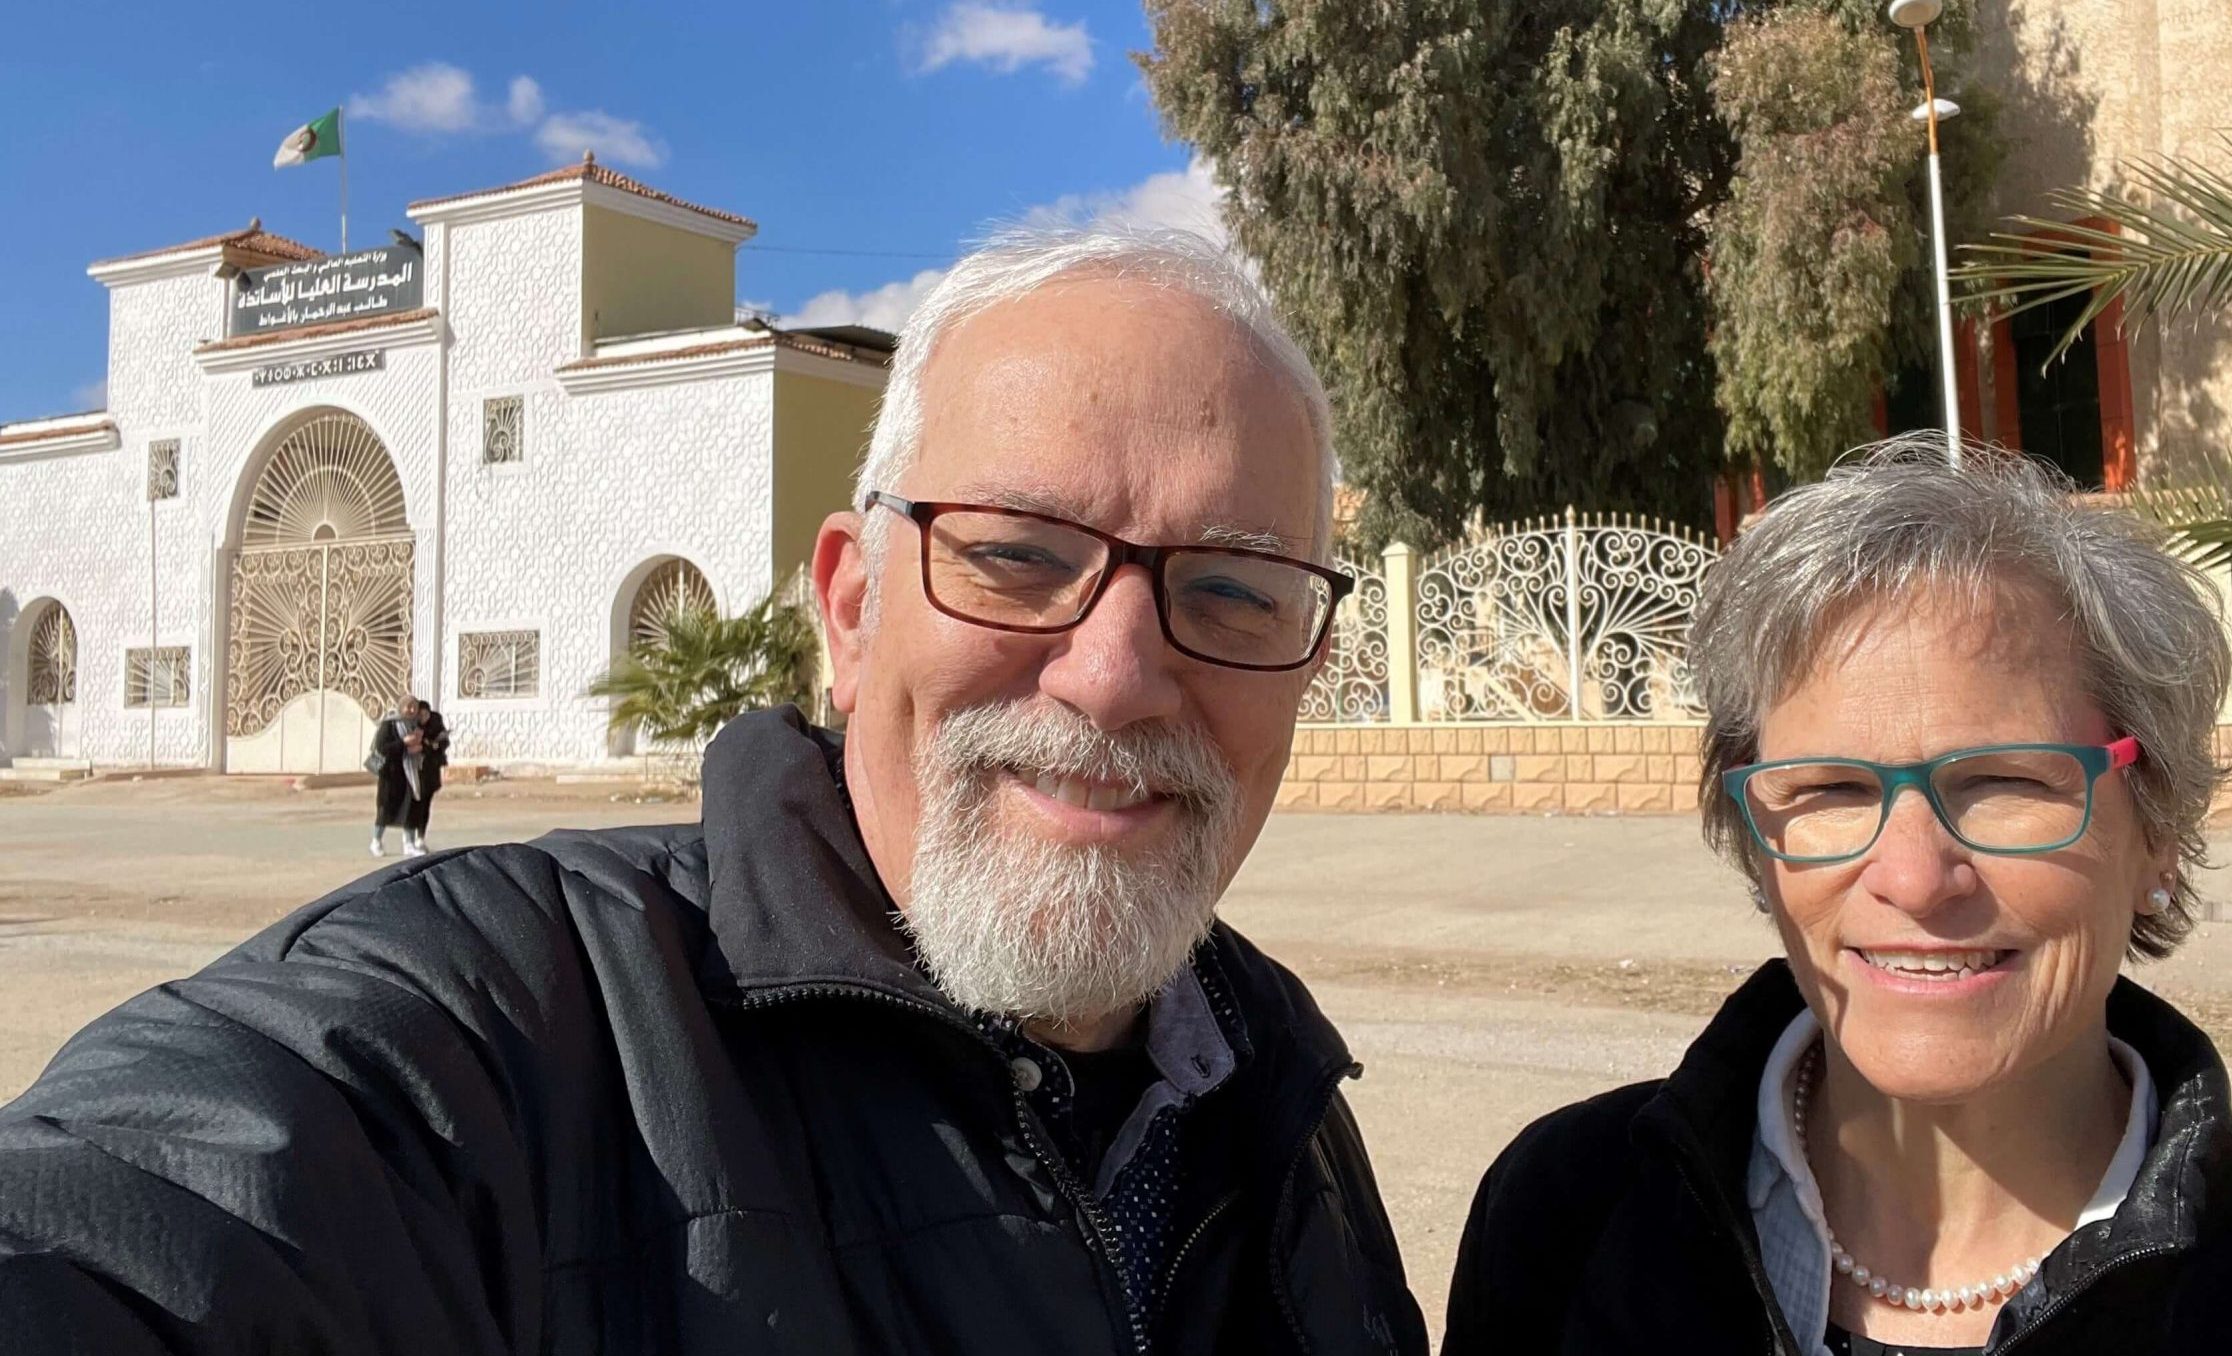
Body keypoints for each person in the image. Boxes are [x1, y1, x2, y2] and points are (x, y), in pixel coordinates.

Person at [0, 225, 1428, 1356]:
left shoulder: (1282, 1105)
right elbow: (149, 1219)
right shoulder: (508, 1029)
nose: (1114, 673)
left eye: (1235, 589)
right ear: (851, 610)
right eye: (1014, 555)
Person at [1441, 439, 2232, 1356]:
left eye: (2006, 783)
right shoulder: (1568, 1226)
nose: (1915, 877)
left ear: (2156, 823)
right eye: (1828, 789)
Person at [368, 696, 424, 858]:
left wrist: (418, 747)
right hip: (390, 775)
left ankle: (409, 844)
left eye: (414, 707)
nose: (412, 710)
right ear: (401, 707)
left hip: (409, 773)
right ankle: (376, 841)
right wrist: (404, 743)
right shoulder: (390, 724)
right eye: (408, 706)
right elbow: (382, 747)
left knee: (410, 808)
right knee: (385, 810)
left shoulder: (414, 725)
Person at [405, 698, 449, 853]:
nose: (424, 717)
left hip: (430, 771)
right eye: (421, 714)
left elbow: (444, 743)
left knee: (425, 806)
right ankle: (409, 839)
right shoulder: (411, 726)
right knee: (414, 805)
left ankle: (420, 838)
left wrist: (435, 745)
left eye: (426, 714)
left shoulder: (436, 724)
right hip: (415, 772)